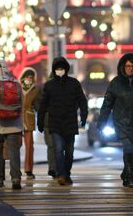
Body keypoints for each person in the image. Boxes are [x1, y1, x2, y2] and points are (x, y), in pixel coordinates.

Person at [97, 53, 133, 189]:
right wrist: (102, 121)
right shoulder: (116, 83)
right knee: (128, 148)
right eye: (127, 66)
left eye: (132, 66)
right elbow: (107, 104)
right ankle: (130, 178)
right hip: (122, 123)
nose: (130, 69)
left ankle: (126, 172)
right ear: (123, 67)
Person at [37, 57, 87, 186]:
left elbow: (82, 100)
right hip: (55, 123)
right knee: (58, 150)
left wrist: (83, 115)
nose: (60, 71)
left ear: (66, 69)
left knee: (69, 153)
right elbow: (43, 105)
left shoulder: (74, 83)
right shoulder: (49, 85)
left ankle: (67, 173)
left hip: (70, 122)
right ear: (54, 70)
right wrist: (40, 122)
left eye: (62, 68)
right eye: (57, 69)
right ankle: (61, 175)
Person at [0, 59, 23, 189]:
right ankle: (16, 179)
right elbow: (22, 106)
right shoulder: (16, 84)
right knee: (14, 153)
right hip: (15, 125)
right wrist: (22, 126)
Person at [19, 67, 41, 180]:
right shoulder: (17, 87)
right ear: (23, 77)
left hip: (29, 118)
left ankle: (28, 170)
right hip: (17, 119)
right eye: (27, 76)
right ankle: (16, 170)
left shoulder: (36, 90)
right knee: (15, 146)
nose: (29, 79)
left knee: (29, 146)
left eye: (31, 77)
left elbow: (38, 105)